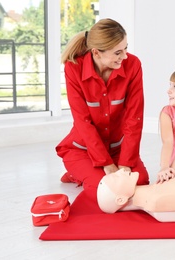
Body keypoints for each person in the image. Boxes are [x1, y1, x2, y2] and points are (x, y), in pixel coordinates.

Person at [56, 18, 149, 201]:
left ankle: (87, 173)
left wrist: (125, 163)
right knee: (104, 191)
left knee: (141, 182)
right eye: (117, 52)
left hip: (117, 149)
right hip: (84, 150)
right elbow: (82, 121)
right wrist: (105, 163)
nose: (124, 56)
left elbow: (134, 117)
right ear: (97, 53)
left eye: (126, 49)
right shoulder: (73, 68)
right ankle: (76, 172)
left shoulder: (133, 65)